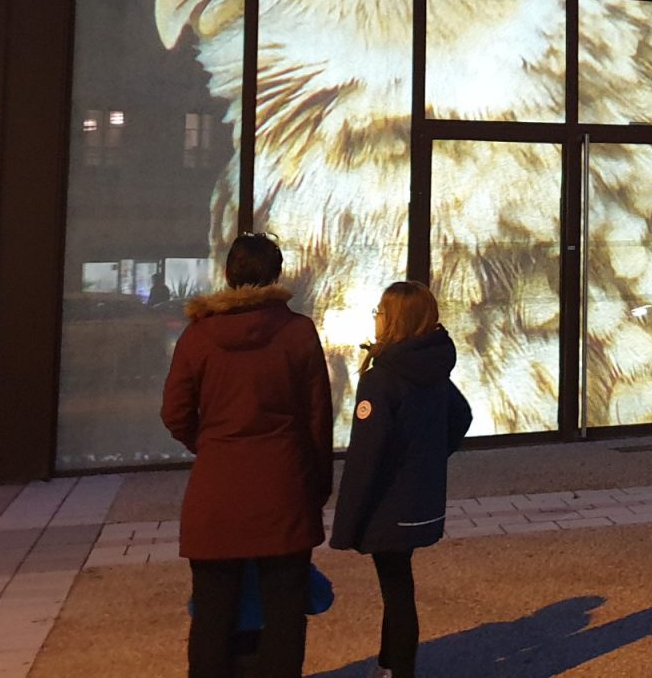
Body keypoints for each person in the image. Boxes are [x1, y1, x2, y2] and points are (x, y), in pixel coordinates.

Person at [161, 232, 333, 678]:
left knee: (213, 612)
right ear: (276, 274)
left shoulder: (198, 337)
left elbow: (174, 413)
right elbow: (317, 418)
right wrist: (316, 484)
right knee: (285, 613)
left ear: (228, 274)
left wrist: (210, 444)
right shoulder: (297, 332)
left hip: (215, 493)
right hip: (282, 487)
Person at [330, 281, 473, 678]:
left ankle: (399, 669)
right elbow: (461, 416)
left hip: (388, 506)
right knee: (397, 580)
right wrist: (427, 460)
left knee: (397, 590)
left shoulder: (383, 378)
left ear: (394, 319)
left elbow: (365, 457)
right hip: (421, 502)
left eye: (379, 311)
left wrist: (346, 526)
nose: (375, 318)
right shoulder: (433, 371)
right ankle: (387, 662)